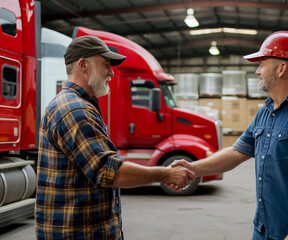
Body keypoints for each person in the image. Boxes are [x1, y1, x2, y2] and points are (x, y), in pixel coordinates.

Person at [170, 31, 288, 240]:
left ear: (282, 68)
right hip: (264, 231)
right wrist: (194, 168)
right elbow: (237, 152)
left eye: (262, 64)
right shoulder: (265, 112)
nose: (257, 71)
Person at [35, 36, 195, 240]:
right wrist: (165, 174)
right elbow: (110, 172)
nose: (111, 73)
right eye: (106, 65)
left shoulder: (78, 105)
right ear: (83, 65)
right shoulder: (75, 111)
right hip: (77, 233)